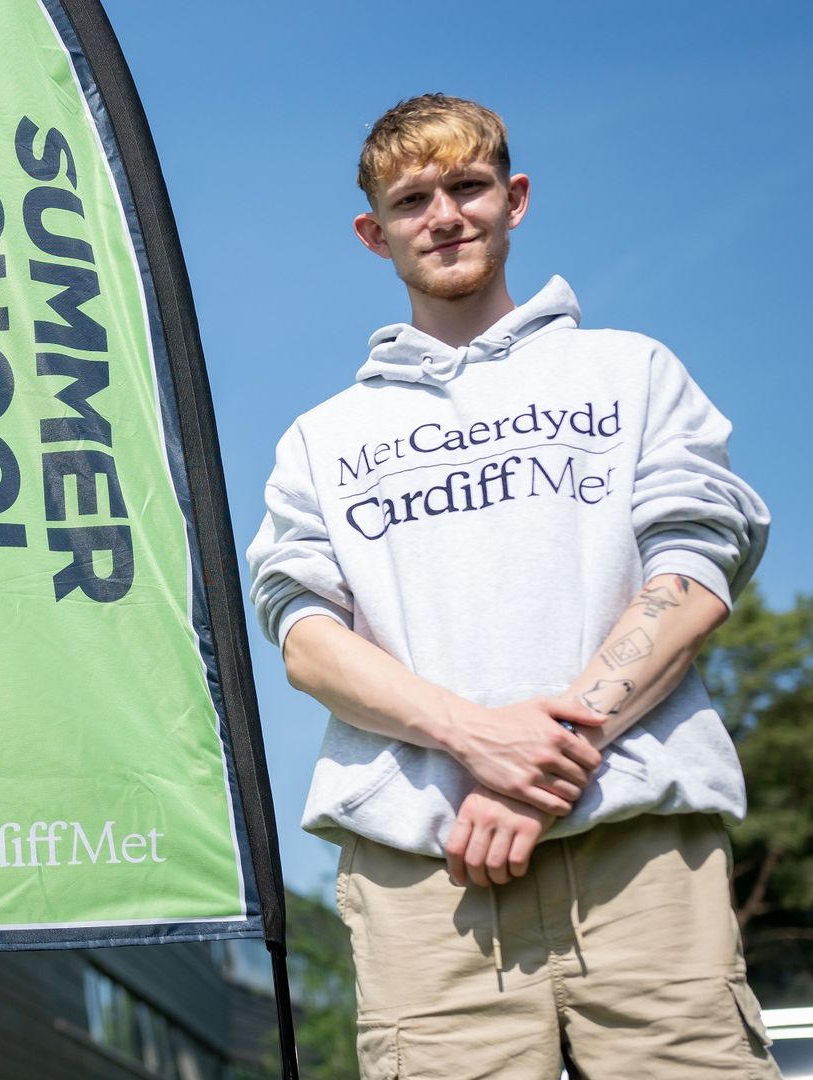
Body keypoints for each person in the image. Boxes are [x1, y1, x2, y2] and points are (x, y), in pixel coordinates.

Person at [246, 95, 776, 1077]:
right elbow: (304, 640)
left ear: (514, 198)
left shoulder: (631, 371)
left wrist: (546, 758)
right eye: (412, 200)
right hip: (427, 881)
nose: (443, 216)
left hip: (638, 855)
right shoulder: (321, 439)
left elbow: (694, 573)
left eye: (468, 186)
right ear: (375, 233)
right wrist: (474, 736)